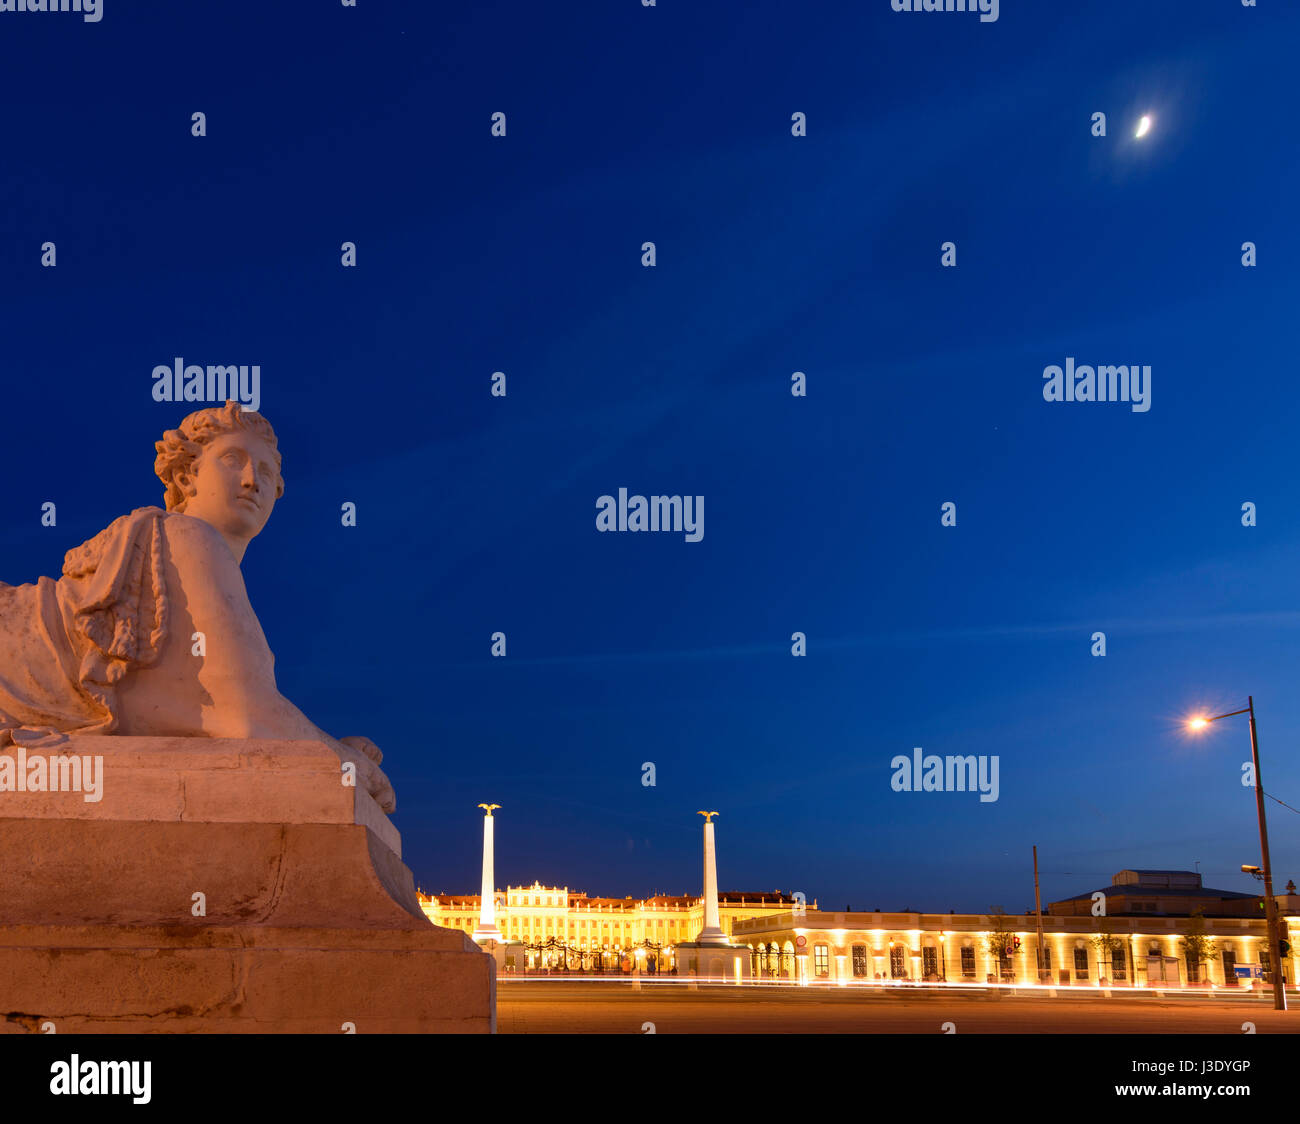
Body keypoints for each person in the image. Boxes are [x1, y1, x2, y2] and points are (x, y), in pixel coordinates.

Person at [0, 401, 395, 811]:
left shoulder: (192, 554)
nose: (250, 481)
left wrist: (325, 744)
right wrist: (349, 763)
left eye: (266, 472)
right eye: (232, 460)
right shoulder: (187, 537)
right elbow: (248, 718)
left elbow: (221, 712)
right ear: (188, 476)